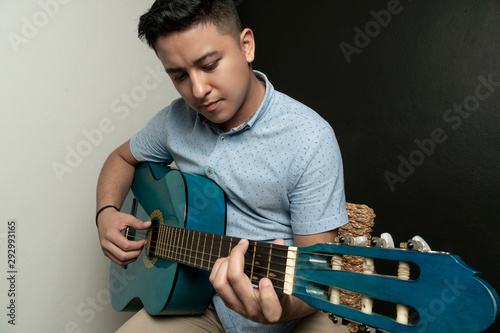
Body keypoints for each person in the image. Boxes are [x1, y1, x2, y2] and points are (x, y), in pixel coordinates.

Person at [96, 0, 349, 332]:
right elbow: (121, 158)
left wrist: (278, 308)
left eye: (210, 65)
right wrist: (106, 213)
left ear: (247, 45)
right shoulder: (174, 121)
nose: (198, 90)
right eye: (179, 76)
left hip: (289, 312)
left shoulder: (310, 139)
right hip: (197, 302)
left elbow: (316, 280)